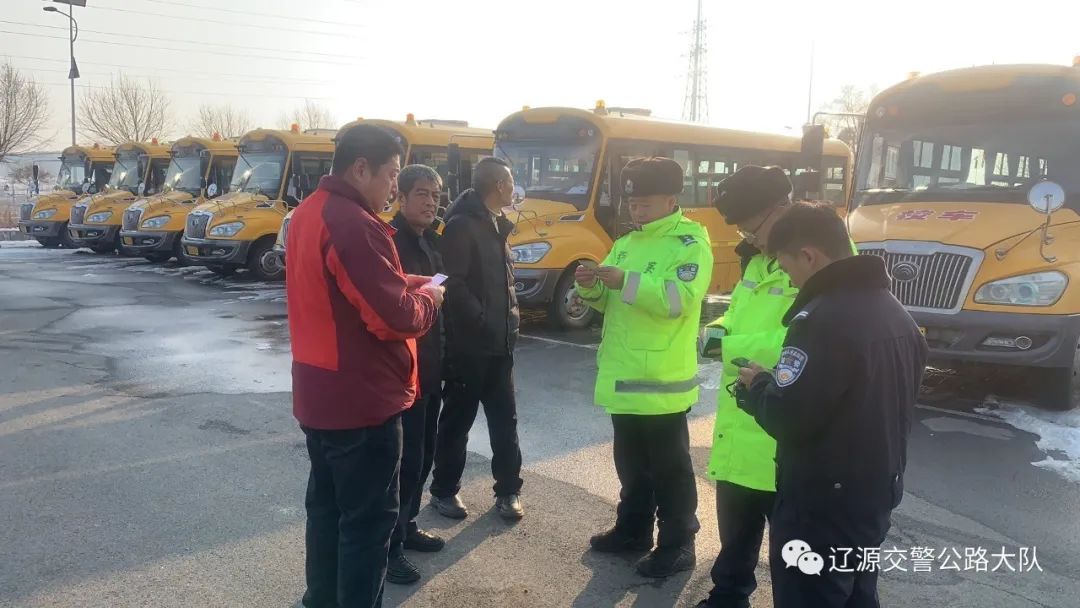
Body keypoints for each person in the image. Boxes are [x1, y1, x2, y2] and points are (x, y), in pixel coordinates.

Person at [734, 202, 927, 608]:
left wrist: (758, 388)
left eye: (787, 269)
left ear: (809, 255)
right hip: (875, 491)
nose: (789, 279)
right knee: (858, 593)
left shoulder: (821, 321)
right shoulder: (897, 315)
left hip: (820, 505)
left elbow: (791, 417)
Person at [286, 123, 444, 608]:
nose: (394, 186)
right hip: (364, 403)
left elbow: (346, 290)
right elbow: (393, 318)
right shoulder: (353, 222)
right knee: (368, 526)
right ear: (361, 168)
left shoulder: (309, 213)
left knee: (329, 515)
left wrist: (402, 280)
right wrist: (431, 298)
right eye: (392, 174)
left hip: (321, 396)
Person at [575, 157, 714, 578]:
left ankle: (678, 542)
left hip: (661, 380)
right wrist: (593, 287)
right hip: (623, 375)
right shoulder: (627, 243)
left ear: (672, 200)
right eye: (633, 204)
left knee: (671, 469)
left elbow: (679, 301)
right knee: (631, 464)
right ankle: (633, 529)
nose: (638, 212)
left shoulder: (690, 243)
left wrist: (625, 282)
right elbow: (610, 303)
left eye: (646, 204)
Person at [694, 165, 795, 608]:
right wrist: (717, 330)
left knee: (795, 551)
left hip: (782, 423)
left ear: (781, 210)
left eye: (751, 226)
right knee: (735, 529)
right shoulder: (758, 259)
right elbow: (738, 315)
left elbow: (806, 340)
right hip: (741, 418)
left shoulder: (818, 260)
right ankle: (728, 596)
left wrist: (729, 345)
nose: (747, 236)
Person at [430, 156, 525, 521]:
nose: (514, 188)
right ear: (499, 185)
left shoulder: (497, 224)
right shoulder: (461, 225)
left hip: (501, 345)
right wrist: (483, 320)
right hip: (469, 347)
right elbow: (451, 281)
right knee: (457, 422)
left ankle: (508, 491)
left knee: (505, 423)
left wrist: (506, 324)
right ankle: (443, 491)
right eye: (511, 181)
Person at [386, 165, 448, 585]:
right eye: (422, 193)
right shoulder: (389, 243)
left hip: (429, 372)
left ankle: (406, 528)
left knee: (423, 457)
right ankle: (388, 549)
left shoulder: (431, 242)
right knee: (401, 466)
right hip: (401, 375)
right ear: (401, 196)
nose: (430, 202)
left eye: (436, 195)